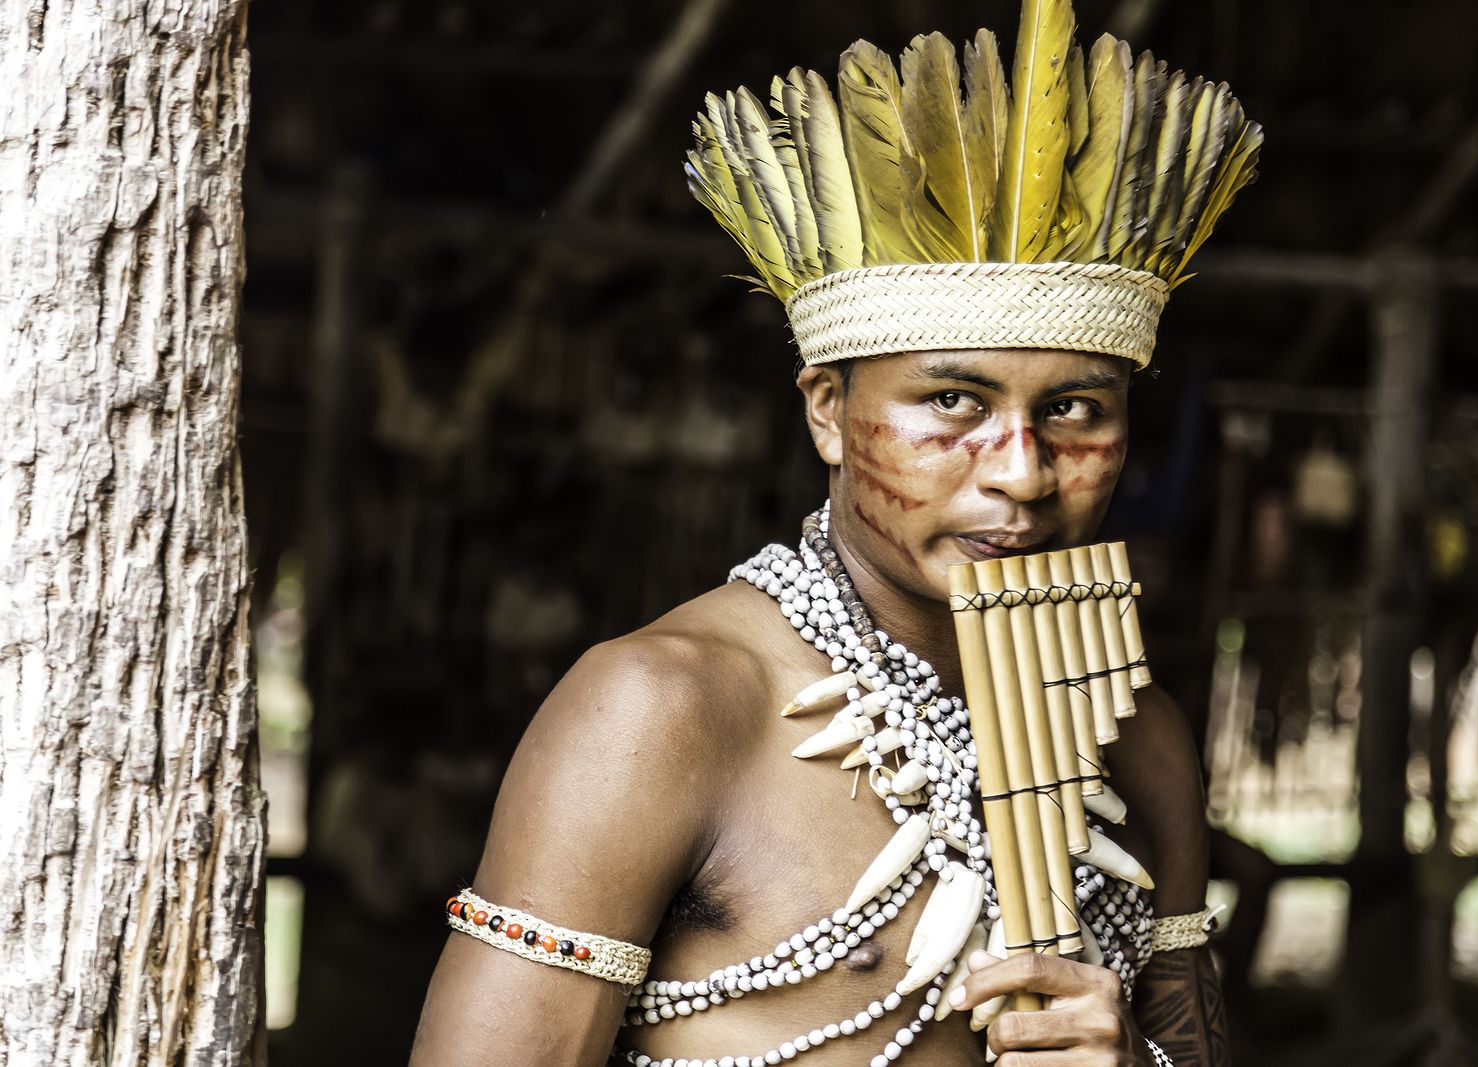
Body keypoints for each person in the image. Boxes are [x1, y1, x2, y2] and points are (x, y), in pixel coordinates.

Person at [410, 1, 1260, 1064]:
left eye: (1074, 410)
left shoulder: (1139, 738)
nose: (1021, 469)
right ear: (825, 409)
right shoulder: (658, 709)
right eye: (952, 402)